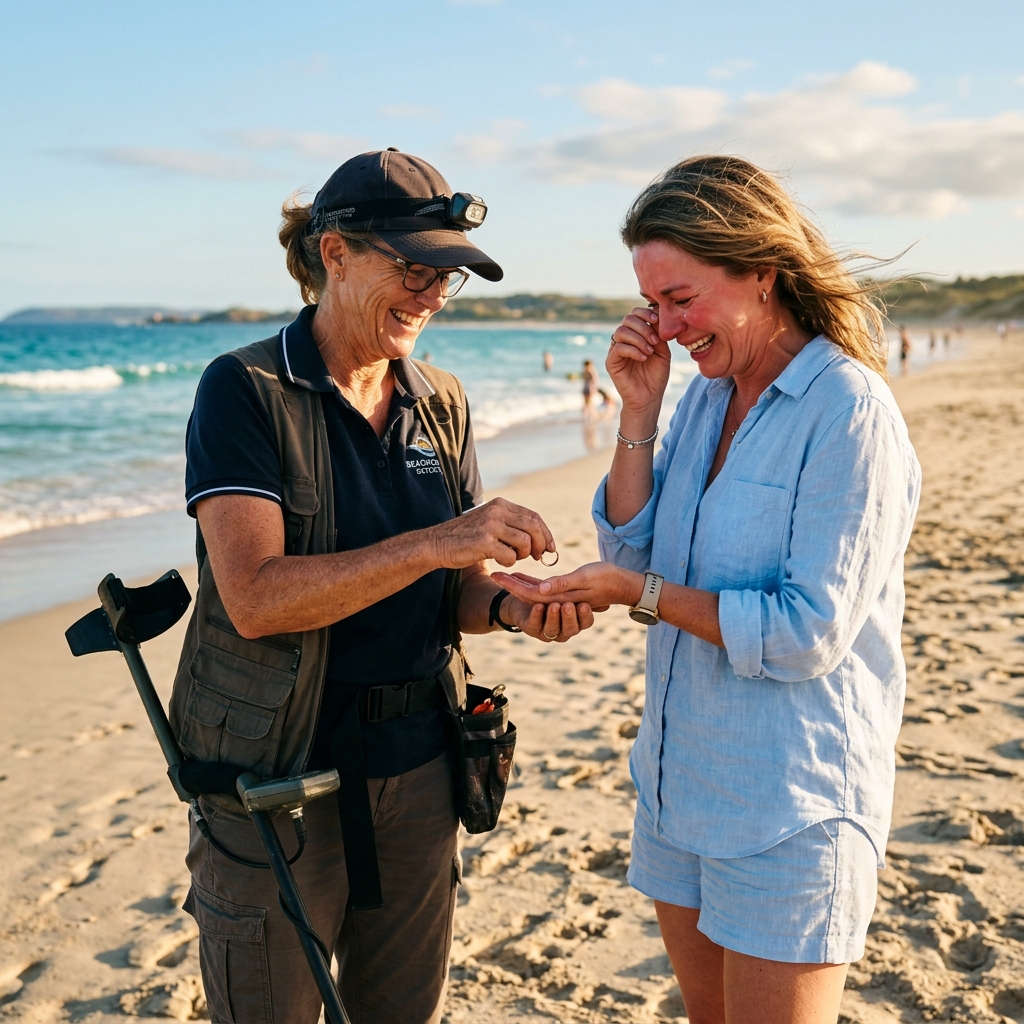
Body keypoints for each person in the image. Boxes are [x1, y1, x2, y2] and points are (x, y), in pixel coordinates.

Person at [170, 148, 596, 1024]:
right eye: (414, 267)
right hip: (279, 789)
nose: (434, 293)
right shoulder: (245, 390)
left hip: (422, 773)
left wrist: (513, 604)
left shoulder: (440, 399)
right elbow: (254, 597)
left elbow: (458, 592)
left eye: (450, 275)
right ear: (334, 253)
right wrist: (442, 540)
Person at [495, 155, 921, 1024]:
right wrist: (639, 412)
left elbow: (810, 630)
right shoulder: (699, 399)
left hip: (791, 807)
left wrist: (633, 593)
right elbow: (633, 540)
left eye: (681, 298)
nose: (666, 324)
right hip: (677, 785)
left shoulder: (849, 410)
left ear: (761, 272)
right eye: (652, 303)